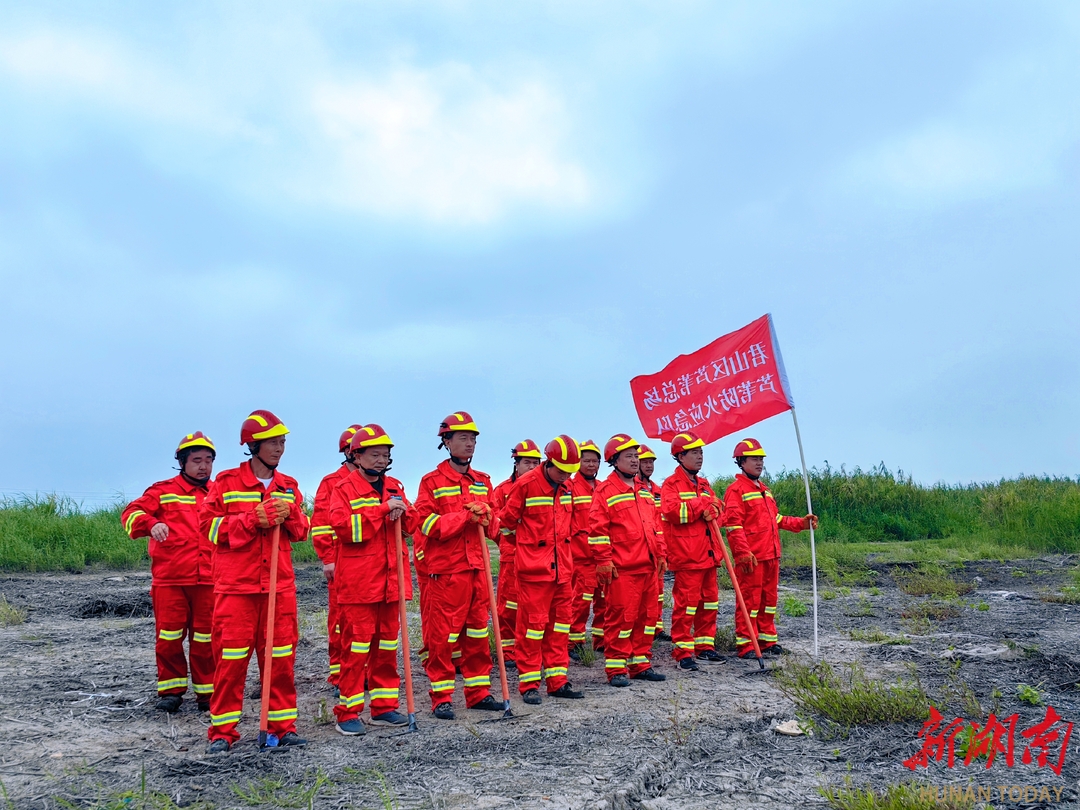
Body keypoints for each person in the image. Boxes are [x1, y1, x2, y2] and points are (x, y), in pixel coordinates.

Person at [200, 410, 309, 753]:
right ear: (253, 445)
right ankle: (223, 731)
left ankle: (283, 727)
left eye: (283, 442)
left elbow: (302, 532)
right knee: (231, 661)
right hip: (237, 589)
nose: (280, 448)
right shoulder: (226, 483)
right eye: (274, 442)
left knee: (280, 659)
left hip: (279, 588)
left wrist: (291, 514)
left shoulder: (288, 486)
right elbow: (209, 529)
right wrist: (252, 519)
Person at [412, 412, 503, 719]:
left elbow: (493, 526)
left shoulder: (482, 481)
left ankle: (478, 693)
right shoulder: (431, 482)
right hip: (447, 571)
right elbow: (425, 524)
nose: (469, 443)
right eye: (463, 438)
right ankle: (441, 697)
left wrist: (489, 517)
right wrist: (465, 517)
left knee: (477, 634)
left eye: (473, 438)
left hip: (477, 568)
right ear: (446, 442)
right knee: (442, 638)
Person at [121, 432, 217, 713]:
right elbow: (131, 513)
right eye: (197, 460)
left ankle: (207, 693)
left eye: (208, 460)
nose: (203, 466)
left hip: (209, 579)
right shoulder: (162, 491)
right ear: (182, 462)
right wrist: (150, 524)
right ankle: (171, 691)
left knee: (207, 638)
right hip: (171, 581)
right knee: (169, 637)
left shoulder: (217, 493)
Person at [327, 425, 414, 734]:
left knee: (387, 648)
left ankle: (384, 708)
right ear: (357, 455)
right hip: (359, 585)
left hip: (392, 583)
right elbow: (344, 530)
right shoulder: (344, 489)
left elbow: (411, 527)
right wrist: (381, 511)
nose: (381, 460)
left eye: (385, 454)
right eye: (374, 454)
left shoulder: (394, 486)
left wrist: (404, 511)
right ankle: (348, 713)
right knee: (356, 650)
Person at [498, 436, 585, 704]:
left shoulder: (567, 485)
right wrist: (529, 550)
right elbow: (505, 527)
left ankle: (557, 682)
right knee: (532, 629)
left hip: (562, 571)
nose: (565, 476)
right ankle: (529, 685)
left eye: (570, 472)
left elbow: (570, 526)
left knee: (560, 628)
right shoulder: (525, 485)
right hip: (534, 573)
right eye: (561, 471)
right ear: (548, 463)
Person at [721, 438, 817, 658]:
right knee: (750, 601)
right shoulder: (736, 490)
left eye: (761, 459)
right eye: (754, 459)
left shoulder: (765, 490)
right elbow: (733, 526)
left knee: (768, 601)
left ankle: (767, 641)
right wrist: (742, 553)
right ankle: (747, 644)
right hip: (752, 558)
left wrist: (801, 523)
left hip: (771, 555)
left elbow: (776, 519)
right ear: (741, 462)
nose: (759, 463)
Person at [588, 434, 667, 687]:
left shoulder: (644, 491)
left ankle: (640, 663)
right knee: (621, 618)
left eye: (636, 456)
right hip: (622, 570)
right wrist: (603, 560)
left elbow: (656, 527)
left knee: (647, 618)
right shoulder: (605, 491)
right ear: (614, 460)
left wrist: (661, 553)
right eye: (629, 457)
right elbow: (597, 529)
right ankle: (616, 668)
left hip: (648, 566)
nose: (635, 461)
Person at [660, 432, 724, 671]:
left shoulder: (705, 484)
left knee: (709, 603)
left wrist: (714, 507)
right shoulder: (671, 484)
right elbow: (673, 513)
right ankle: (683, 651)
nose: (700, 457)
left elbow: (719, 506)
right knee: (686, 606)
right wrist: (702, 505)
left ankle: (705, 647)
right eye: (694, 453)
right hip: (687, 556)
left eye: (701, 453)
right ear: (680, 456)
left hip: (709, 555)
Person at [308, 424, 363, 690]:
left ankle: (362, 672)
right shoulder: (332, 483)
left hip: (367, 564)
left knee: (364, 626)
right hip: (340, 563)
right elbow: (320, 525)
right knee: (341, 622)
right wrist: (328, 558)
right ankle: (339, 673)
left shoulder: (377, 481)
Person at [490, 440, 543, 668]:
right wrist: (508, 540)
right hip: (511, 556)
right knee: (508, 606)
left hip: (537, 558)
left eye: (535, 462)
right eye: (527, 462)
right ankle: (508, 651)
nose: (531, 467)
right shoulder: (502, 490)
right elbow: (495, 523)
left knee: (533, 608)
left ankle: (530, 650)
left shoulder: (544, 488)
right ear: (516, 464)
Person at [567, 439, 604, 657]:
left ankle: (600, 640)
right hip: (580, 557)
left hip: (602, 557)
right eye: (586, 460)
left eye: (594, 461)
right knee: (579, 602)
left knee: (604, 601)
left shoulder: (603, 488)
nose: (591, 465)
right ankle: (574, 642)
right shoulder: (569, 487)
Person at [636, 444, 668, 641]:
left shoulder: (657, 490)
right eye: (644, 462)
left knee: (659, 592)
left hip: (658, 547)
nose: (648, 466)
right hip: (640, 550)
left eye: (651, 462)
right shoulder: (633, 488)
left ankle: (656, 627)